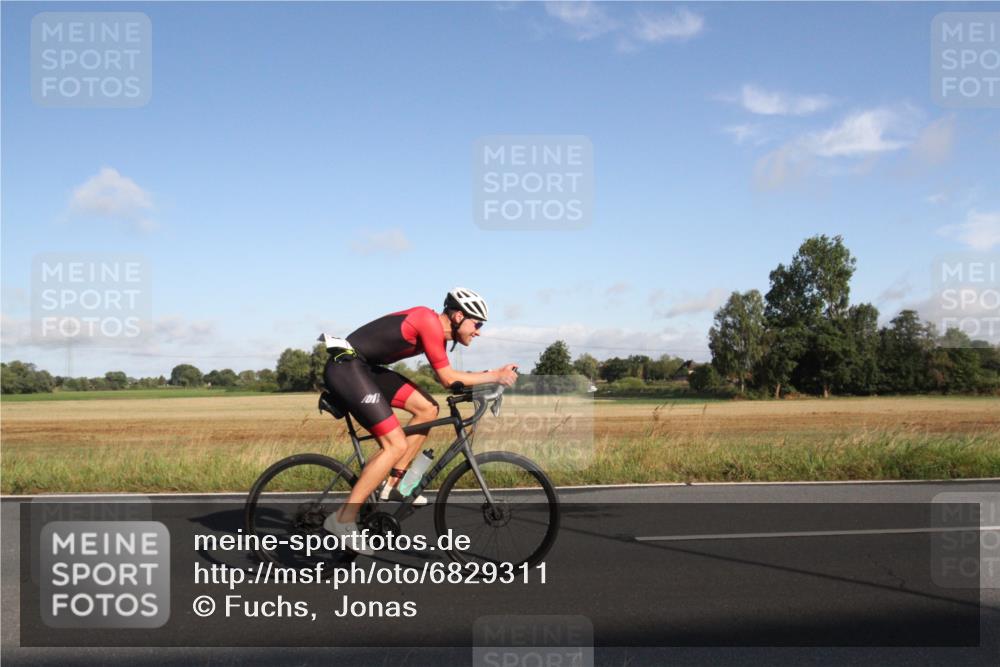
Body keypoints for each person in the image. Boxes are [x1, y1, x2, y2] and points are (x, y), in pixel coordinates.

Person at [321, 287, 518, 554]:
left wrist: (485, 383)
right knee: (395, 445)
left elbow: (452, 380)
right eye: (477, 323)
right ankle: (342, 519)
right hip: (346, 367)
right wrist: (493, 375)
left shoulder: (437, 333)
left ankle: (395, 483)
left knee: (427, 409)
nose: (479, 331)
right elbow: (448, 379)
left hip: (365, 369)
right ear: (459, 315)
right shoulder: (428, 321)